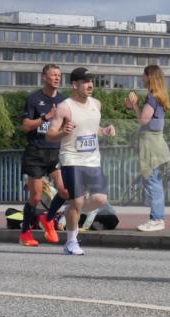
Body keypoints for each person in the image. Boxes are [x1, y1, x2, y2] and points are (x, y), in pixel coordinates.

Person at [46, 67, 116, 256]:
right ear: (74, 84)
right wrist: (63, 132)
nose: (90, 85)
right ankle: (71, 242)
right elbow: (50, 134)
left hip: (93, 159)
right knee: (77, 200)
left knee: (100, 199)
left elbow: (93, 129)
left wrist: (105, 130)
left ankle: (68, 214)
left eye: (91, 81)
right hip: (72, 158)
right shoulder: (65, 106)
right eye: (85, 81)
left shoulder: (97, 104)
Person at [18, 64, 68, 246]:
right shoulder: (34, 99)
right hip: (36, 152)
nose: (57, 78)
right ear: (44, 77)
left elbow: (67, 124)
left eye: (59, 75)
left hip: (55, 152)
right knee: (36, 197)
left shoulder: (64, 101)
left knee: (65, 191)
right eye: (53, 75)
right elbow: (25, 126)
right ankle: (25, 233)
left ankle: (48, 218)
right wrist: (46, 117)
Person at [126, 64, 170, 232]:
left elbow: (144, 120)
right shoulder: (160, 96)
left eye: (143, 75)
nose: (141, 78)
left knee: (152, 182)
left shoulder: (151, 97)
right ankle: (157, 218)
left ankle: (157, 219)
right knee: (155, 181)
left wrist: (135, 105)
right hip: (158, 143)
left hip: (151, 145)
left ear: (149, 77)